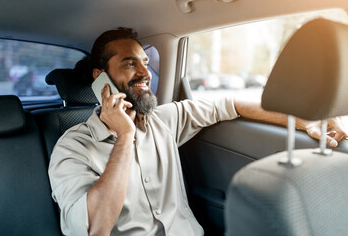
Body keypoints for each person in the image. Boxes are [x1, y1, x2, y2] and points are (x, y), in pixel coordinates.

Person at [48, 28, 348, 236]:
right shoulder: (72, 147)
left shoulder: (164, 120)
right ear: (101, 79)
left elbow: (231, 104)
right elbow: (93, 228)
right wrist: (125, 138)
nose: (145, 73)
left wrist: (304, 121)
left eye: (146, 63)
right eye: (129, 63)